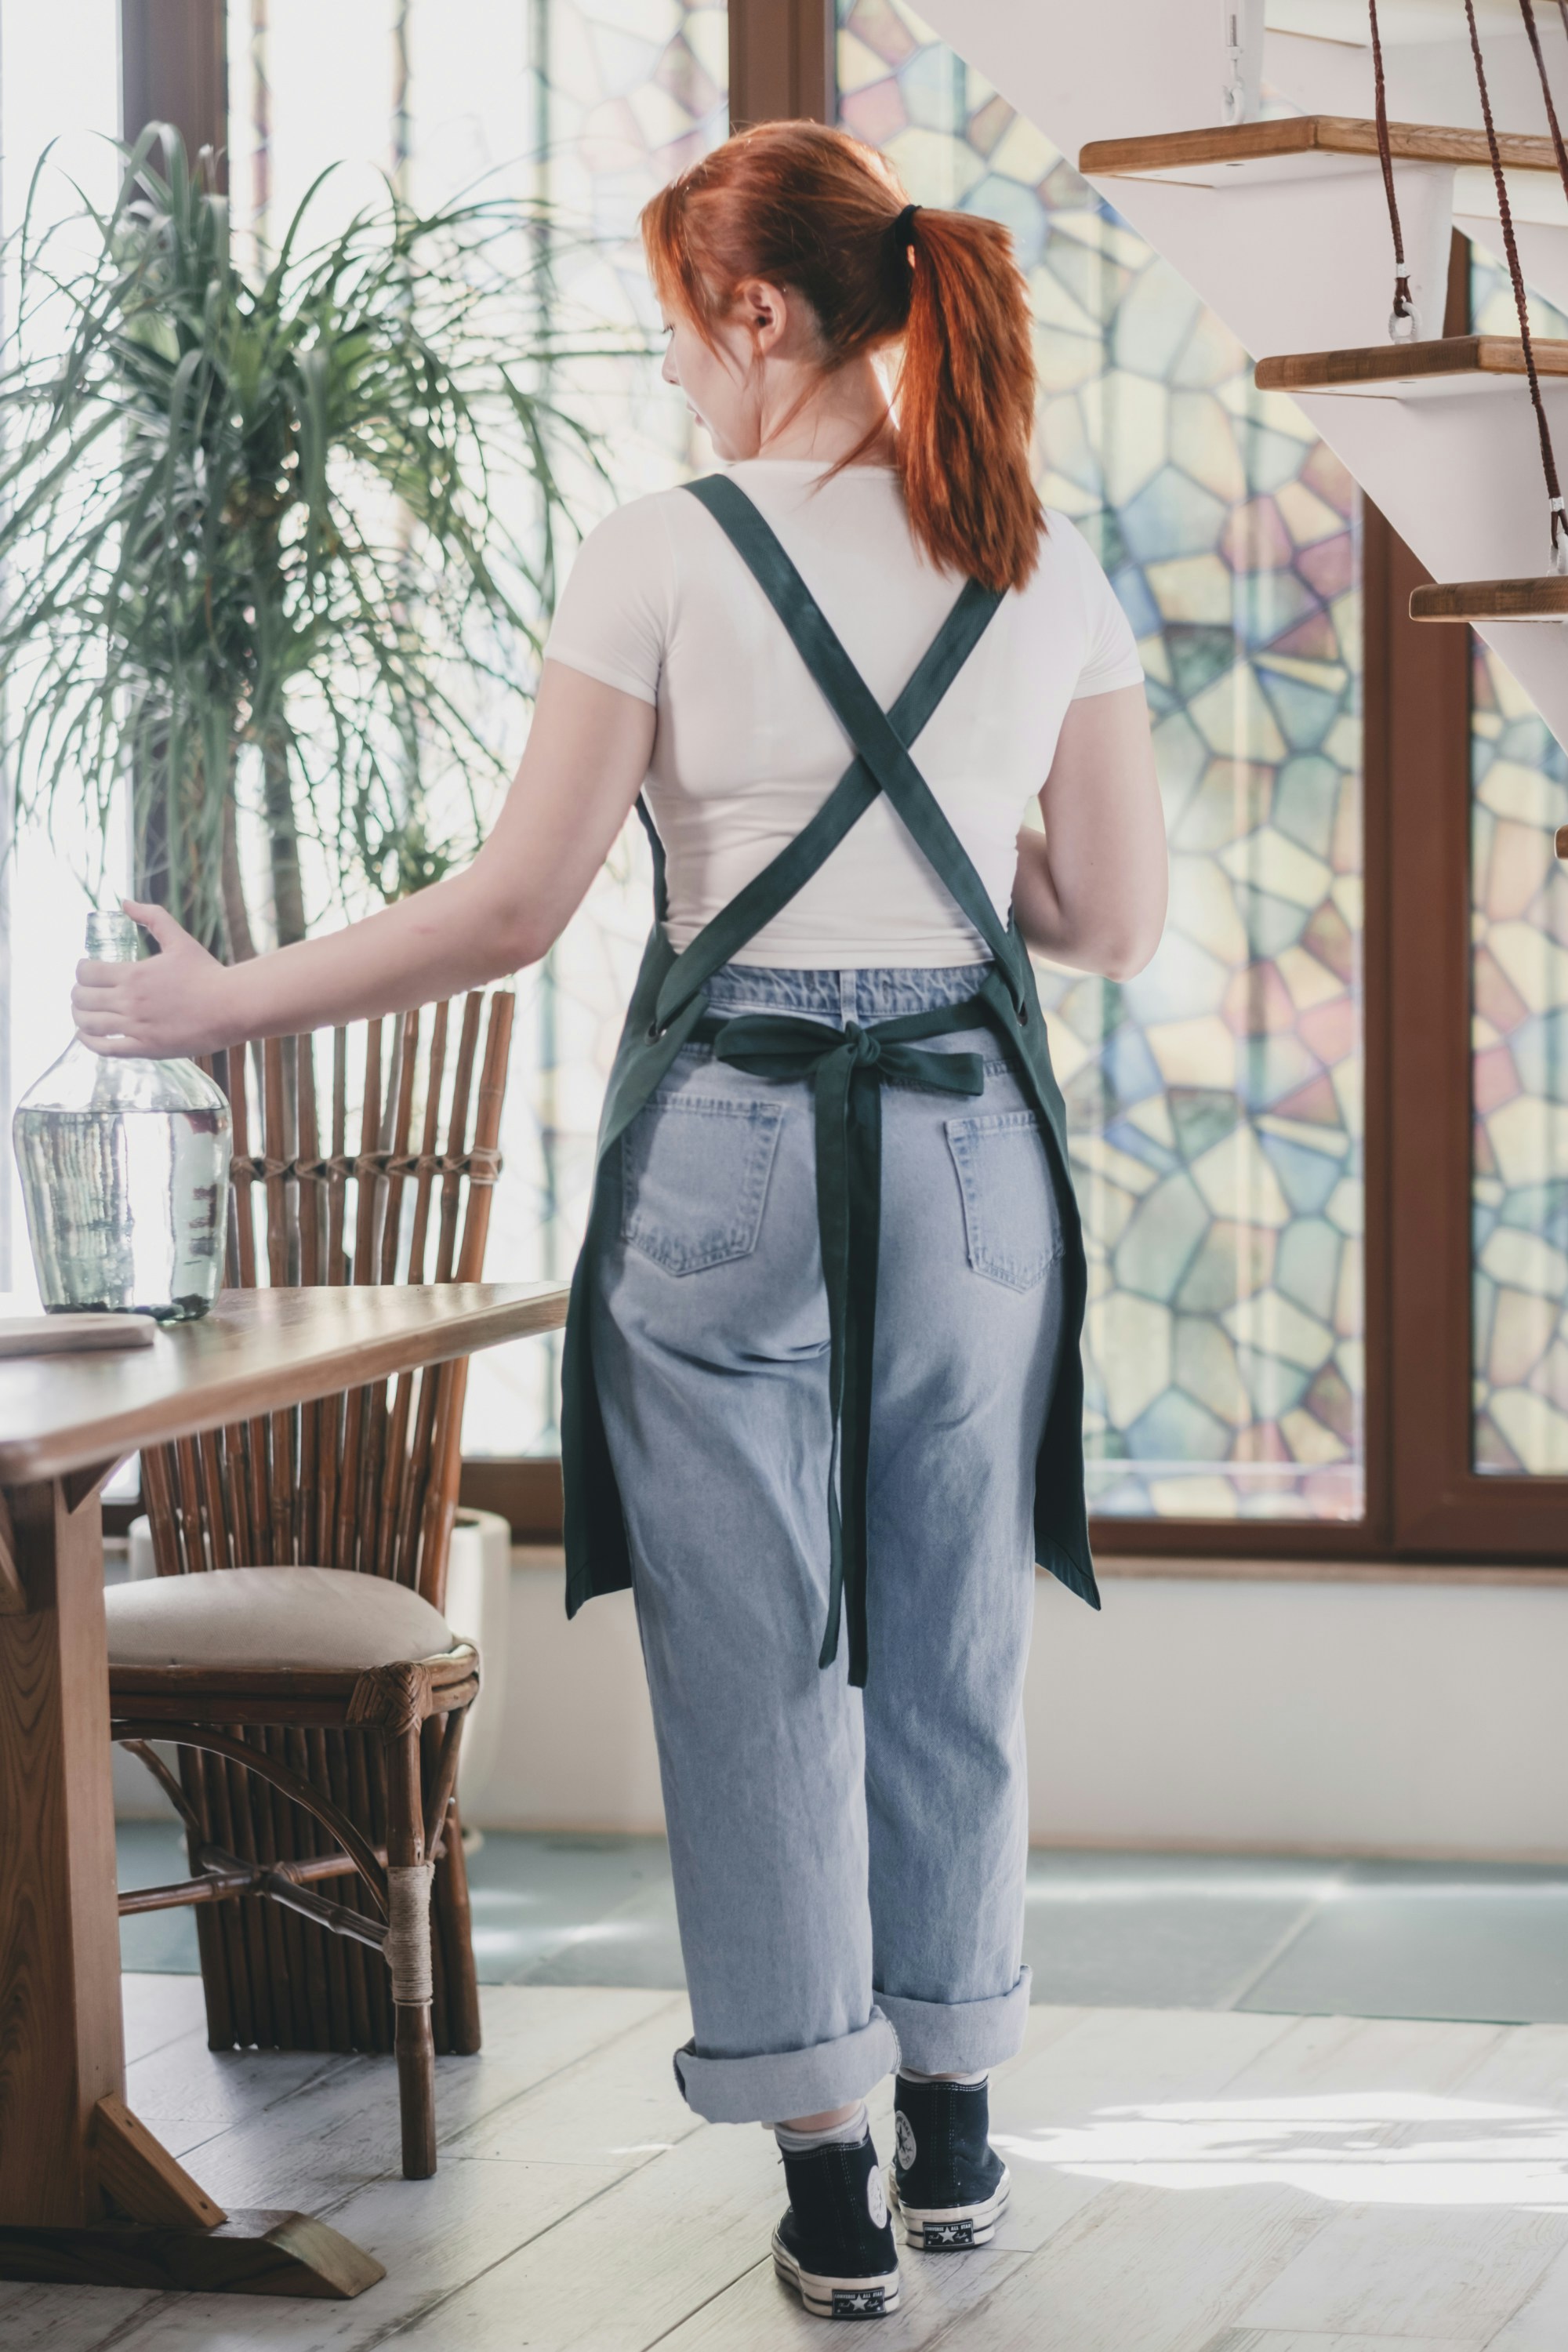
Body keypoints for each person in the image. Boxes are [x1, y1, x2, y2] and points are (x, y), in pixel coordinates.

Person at [74, 121, 1165, 2322]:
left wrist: (221, 1003)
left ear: (761, 315)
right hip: (972, 1143)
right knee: (951, 1627)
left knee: (754, 1669)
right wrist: (961, 853)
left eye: (684, 340)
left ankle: (833, 2192)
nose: (681, 387)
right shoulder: (1040, 556)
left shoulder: (664, 548)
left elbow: (510, 909)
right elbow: (1109, 917)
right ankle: (961, 2127)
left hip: (737, 1142)